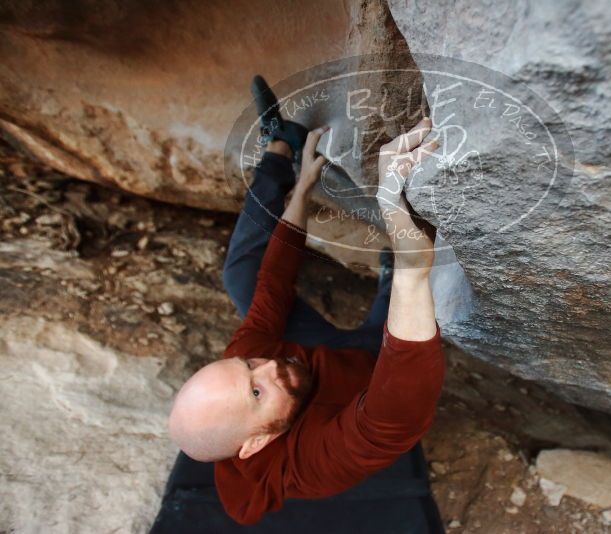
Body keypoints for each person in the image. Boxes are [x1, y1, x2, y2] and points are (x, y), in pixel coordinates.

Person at [151, 115, 446, 533]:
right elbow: (393, 413)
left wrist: (304, 189)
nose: (267, 366)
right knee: (408, 303)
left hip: (316, 355)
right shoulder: (308, 466)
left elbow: (271, 285)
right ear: (255, 443)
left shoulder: (257, 364)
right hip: (373, 370)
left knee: (241, 278)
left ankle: (279, 155)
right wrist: (409, 262)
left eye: (248, 365)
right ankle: (390, 281)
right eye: (256, 390)